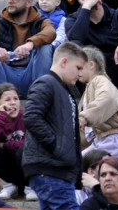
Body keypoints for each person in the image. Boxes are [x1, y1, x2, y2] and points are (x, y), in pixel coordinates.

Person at [22, 41, 86, 210]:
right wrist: (56, 145)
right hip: (50, 169)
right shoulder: (46, 83)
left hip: (55, 169)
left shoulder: (63, 89)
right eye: (78, 68)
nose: (80, 74)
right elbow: (31, 117)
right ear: (63, 61)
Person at [65, 0, 118, 91]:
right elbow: (76, 41)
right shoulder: (72, 20)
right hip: (91, 74)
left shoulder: (117, 16)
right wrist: (86, 7)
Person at [0, 82, 31, 201]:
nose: (13, 103)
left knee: (24, 149)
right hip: (9, 169)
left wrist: (4, 145)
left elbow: (30, 144)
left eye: (16, 99)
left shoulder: (27, 117)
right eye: (7, 100)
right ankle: (9, 186)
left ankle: (30, 187)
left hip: (28, 169)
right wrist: (2, 116)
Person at [79, 46, 118, 157]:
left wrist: (84, 118)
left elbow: (107, 97)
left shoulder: (100, 80)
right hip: (101, 140)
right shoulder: (89, 88)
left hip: (114, 140)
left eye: (79, 67)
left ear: (91, 65)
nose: (77, 72)